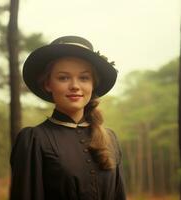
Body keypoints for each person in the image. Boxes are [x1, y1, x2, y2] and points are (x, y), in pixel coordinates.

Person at [10, 36, 126, 200]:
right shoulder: (34, 140)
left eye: (84, 78)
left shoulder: (110, 139)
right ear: (48, 84)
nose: (75, 86)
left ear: (93, 84)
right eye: (63, 77)